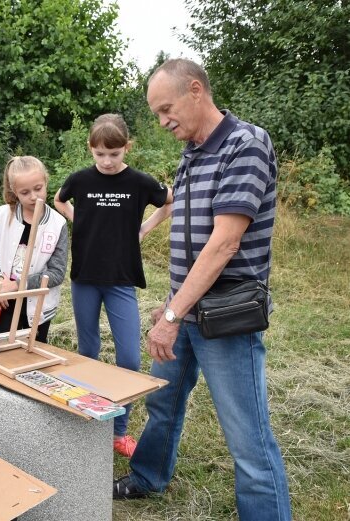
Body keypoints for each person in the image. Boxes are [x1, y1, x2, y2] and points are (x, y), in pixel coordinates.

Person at [112, 59, 291, 520]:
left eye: (166, 108)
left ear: (196, 90)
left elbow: (224, 242)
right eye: (156, 113)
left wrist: (173, 316)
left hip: (226, 316)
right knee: (162, 401)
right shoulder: (192, 151)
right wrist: (172, 306)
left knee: (247, 438)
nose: (162, 121)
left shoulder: (245, 144)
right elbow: (190, 236)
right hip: (185, 309)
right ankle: (148, 476)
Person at [54, 114, 173, 458]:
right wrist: (81, 219)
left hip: (121, 280)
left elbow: (170, 201)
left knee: (129, 359)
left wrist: (145, 228)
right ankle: (86, 419)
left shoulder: (139, 182)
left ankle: (119, 432)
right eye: (100, 155)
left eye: (114, 154)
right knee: (87, 353)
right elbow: (59, 200)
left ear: (126, 149)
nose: (107, 162)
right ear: (91, 150)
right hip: (85, 278)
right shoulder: (79, 179)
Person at [0, 156, 68, 342]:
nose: (34, 196)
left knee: (31, 354)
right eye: (25, 192)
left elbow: (57, 272)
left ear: (46, 181)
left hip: (38, 307)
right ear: (14, 191)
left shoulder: (58, 224)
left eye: (38, 188)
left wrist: (17, 285)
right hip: (4, 300)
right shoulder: (2, 215)